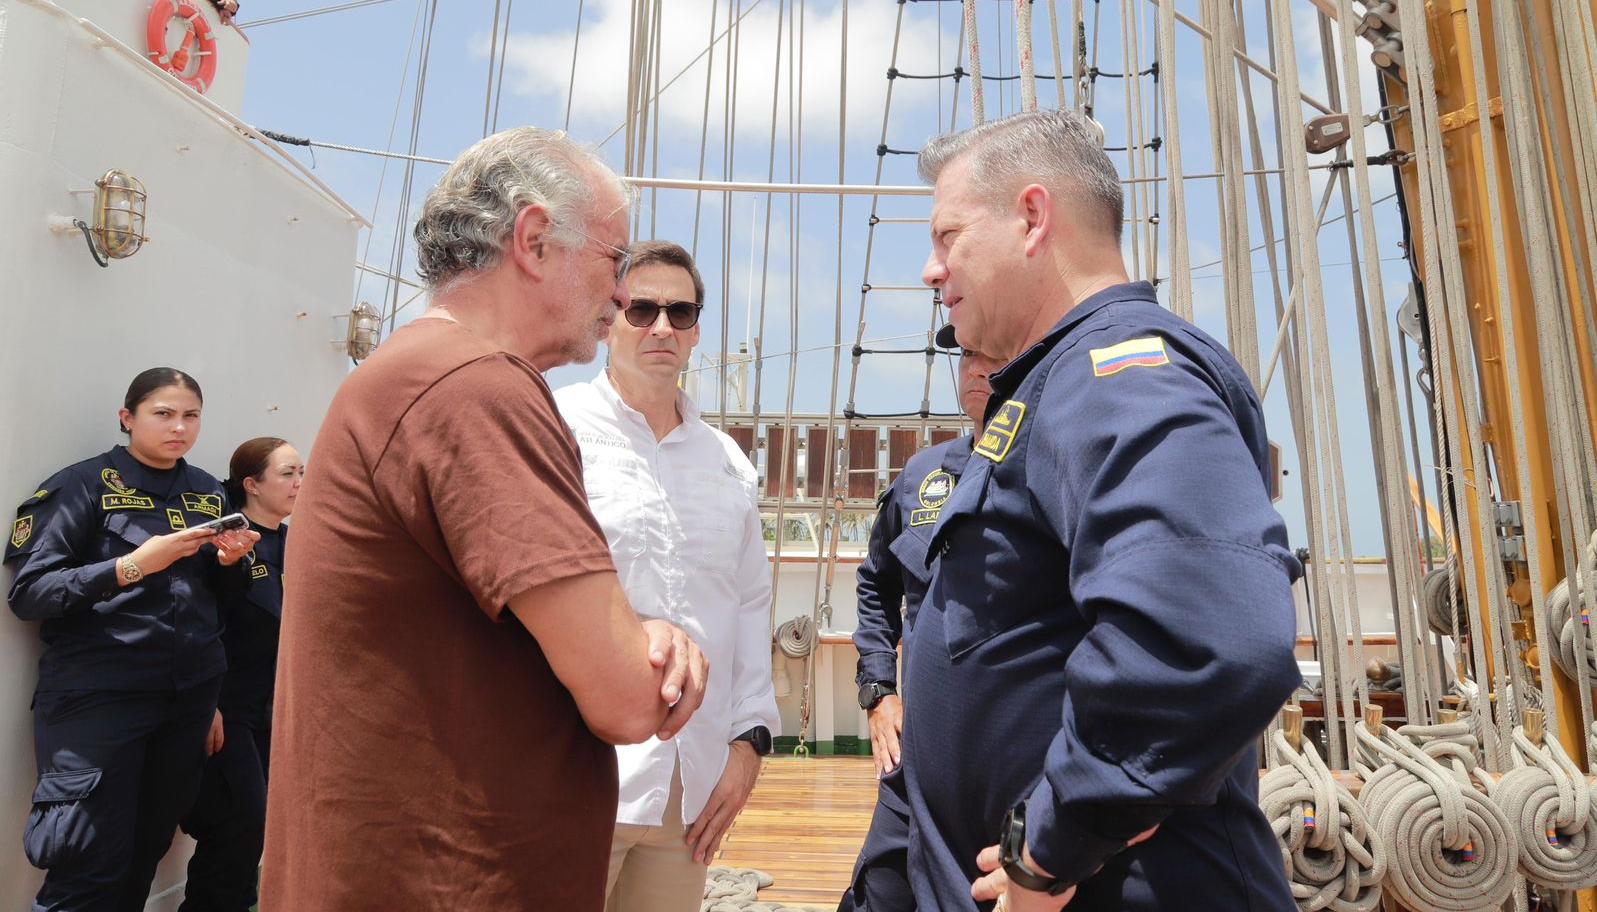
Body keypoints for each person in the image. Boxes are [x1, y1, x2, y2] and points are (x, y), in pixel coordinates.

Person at [261, 127, 710, 912]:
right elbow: (630, 699)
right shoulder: (477, 390)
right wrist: (659, 643)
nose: (619, 295)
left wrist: (630, 629)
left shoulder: (408, 374)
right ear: (533, 240)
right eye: (613, 261)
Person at [904, 108, 1301, 912]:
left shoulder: (1115, 376)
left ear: (1031, 217)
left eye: (948, 236)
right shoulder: (1056, 384)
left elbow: (1209, 641)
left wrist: (1049, 851)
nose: (930, 270)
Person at [554, 240, 780, 912]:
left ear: (696, 332)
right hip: (572, 768)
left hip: (690, 786)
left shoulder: (728, 464)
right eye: (641, 309)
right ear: (607, 321)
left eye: (679, 313)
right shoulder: (555, 430)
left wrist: (749, 743)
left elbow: (749, 607)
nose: (661, 327)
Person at [5, 367, 258, 912]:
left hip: (188, 697)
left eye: (191, 416)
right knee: (87, 858)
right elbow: (30, 593)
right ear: (128, 417)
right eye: (163, 414)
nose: (179, 427)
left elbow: (218, 600)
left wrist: (231, 563)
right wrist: (132, 565)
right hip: (101, 695)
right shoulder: (82, 486)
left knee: (146, 849)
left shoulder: (207, 491)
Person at [839, 328, 1003, 912]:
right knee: (877, 896)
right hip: (916, 761)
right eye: (970, 355)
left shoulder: (1054, 473)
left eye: (996, 355)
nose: (978, 369)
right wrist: (879, 689)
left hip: (1011, 769)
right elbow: (877, 581)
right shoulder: (923, 477)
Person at [179, 437, 302, 912]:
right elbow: (198, 624)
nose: (299, 483)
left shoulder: (298, 544)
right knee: (240, 822)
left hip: (278, 710)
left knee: (263, 828)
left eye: (301, 472)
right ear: (251, 484)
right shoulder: (225, 542)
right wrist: (206, 703)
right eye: (288, 473)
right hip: (228, 709)